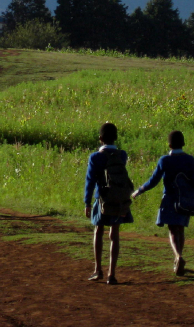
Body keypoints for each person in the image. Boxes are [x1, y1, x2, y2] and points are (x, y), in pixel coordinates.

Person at [131, 130, 194, 276]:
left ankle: (178, 256)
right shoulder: (190, 160)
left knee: (172, 230)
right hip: (185, 200)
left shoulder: (164, 160)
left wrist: (140, 190)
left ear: (169, 144)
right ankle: (178, 257)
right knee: (181, 228)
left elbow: (154, 180)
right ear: (183, 143)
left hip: (170, 199)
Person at [84, 122, 133, 285]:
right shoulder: (122, 155)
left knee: (98, 231)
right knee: (115, 235)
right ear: (116, 138)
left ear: (100, 138)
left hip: (102, 199)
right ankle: (112, 273)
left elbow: (90, 181)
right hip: (119, 199)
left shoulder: (95, 157)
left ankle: (98, 270)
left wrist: (87, 202)